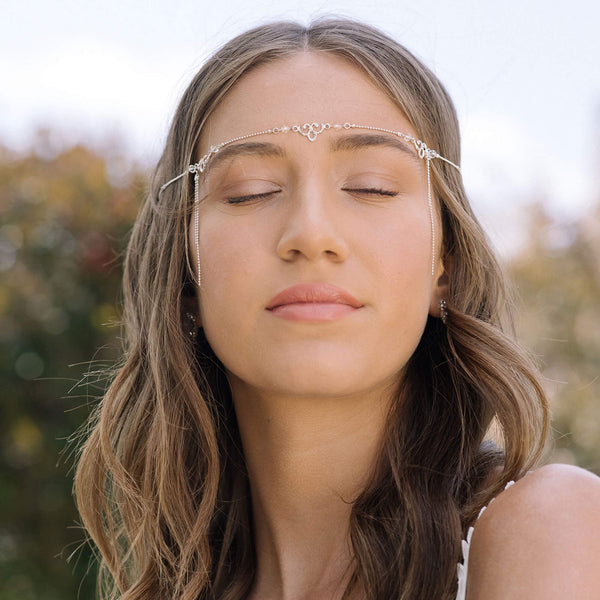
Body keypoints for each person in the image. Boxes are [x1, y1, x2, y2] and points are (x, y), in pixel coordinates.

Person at [74, 18, 600, 600]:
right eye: (250, 191)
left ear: (444, 264)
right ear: (184, 273)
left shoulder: (552, 530)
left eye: (372, 186)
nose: (311, 232)